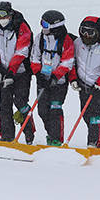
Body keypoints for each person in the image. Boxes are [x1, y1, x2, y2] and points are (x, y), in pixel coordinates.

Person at [68, 16, 100, 148]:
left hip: (98, 86)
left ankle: (94, 142)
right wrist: (73, 78)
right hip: (83, 84)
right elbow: (71, 61)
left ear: (98, 32)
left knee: (94, 113)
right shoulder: (77, 43)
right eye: (84, 31)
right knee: (85, 114)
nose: (87, 35)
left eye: (91, 32)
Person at [0, 1, 35, 144]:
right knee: (4, 104)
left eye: (3, 15)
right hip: (4, 72)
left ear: (10, 14)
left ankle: (28, 133)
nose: (0, 18)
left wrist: (11, 72)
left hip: (21, 72)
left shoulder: (22, 28)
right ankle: (7, 137)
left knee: (20, 102)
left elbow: (22, 52)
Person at [30, 10, 75, 146]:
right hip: (43, 80)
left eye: (45, 24)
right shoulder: (39, 38)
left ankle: (56, 139)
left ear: (54, 26)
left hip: (58, 83)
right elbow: (34, 58)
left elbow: (67, 62)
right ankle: (51, 134)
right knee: (42, 111)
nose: (42, 27)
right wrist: (38, 74)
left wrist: (55, 77)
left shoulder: (66, 41)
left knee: (55, 109)